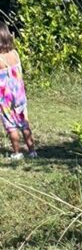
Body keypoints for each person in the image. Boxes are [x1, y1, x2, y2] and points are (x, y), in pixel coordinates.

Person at [0, 22, 37, 161]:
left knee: (11, 125)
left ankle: (17, 152)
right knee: (24, 123)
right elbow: (19, 72)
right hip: (19, 94)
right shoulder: (15, 53)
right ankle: (32, 151)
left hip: (5, 97)